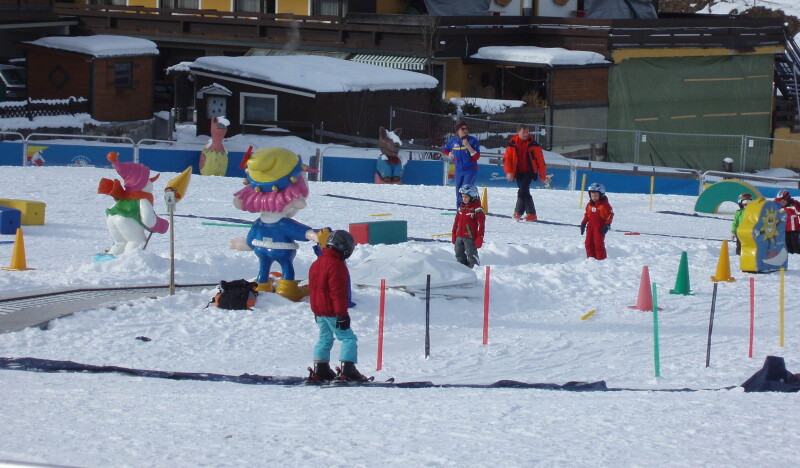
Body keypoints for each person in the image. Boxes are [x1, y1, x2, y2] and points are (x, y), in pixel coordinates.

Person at [306, 230, 368, 383]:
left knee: (324, 338)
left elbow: (313, 289)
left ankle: (320, 369)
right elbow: (338, 293)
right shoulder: (336, 265)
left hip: (319, 311)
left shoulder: (317, 263)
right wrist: (342, 314)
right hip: (333, 311)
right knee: (348, 338)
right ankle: (348, 369)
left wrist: (316, 311)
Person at [503, 124, 547, 221]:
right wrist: (509, 172)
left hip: (529, 172)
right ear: (518, 132)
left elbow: (541, 162)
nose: (526, 134)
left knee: (522, 190)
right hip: (518, 172)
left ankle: (518, 212)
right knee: (525, 191)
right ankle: (532, 214)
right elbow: (507, 160)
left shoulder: (534, 145)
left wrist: (543, 176)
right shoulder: (512, 144)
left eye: (527, 132)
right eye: (524, 132)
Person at [443, 120, 481, 207]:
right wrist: (449, 154)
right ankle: (459, 210)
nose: (465, 130)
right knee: (458, 191)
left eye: (466, 128)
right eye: (462, 129)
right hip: (459, 170)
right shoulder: (453, 141)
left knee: (466, 190)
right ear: (457, 131)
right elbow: (445, 149)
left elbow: (476, 157)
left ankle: (467, 209)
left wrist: (468, 145)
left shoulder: (472, 140)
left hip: (470, 170)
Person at [452, 184, 485, 268]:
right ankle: (462, 268)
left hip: (470, 237)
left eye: (466, 197)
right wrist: (453, 233)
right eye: (463, 197)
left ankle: (474, 269)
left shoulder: (477, 209)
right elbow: (456, 222)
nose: (464, 199)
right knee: (458, 252)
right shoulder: (461, 208)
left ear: (472, 197)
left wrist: (480, 237)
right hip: (459, 236)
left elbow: (481, 224)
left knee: (471, 254)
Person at [580, 182, 614, 260]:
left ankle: (601, 260)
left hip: (599, 228)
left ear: (601, 195)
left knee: (598, 244)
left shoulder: (604, 205)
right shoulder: (589, 205)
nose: (594, 197)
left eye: (596, 195)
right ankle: (591, 259)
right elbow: (587, 215)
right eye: (592, 195)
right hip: (590, 227)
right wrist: (583, 223)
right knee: (588, 243)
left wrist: (607, 225)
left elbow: (610, 215)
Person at [775, 190, 800, 254]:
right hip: (786, 230)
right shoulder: (782, 208)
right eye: (780, 201)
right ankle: (790, 255)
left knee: (795, 245)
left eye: (783, 200)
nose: (781, 202)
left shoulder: (794, 205)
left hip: (795, 230)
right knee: (787, 245)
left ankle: (797, 255)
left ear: (787, 198)